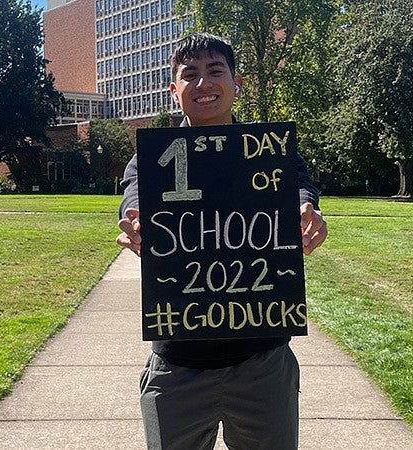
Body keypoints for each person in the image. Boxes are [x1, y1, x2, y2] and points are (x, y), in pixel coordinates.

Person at [115, 32, 328, 449]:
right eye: (189, 74)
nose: (203, 84)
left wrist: (308, 211)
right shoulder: (151, 157)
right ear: (174, 90)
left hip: (262, 361)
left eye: (215, 71)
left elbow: (299, 187)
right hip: (177, 364)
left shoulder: (269, 151)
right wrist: (136, 223)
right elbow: (135, 195)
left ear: (237, 84)